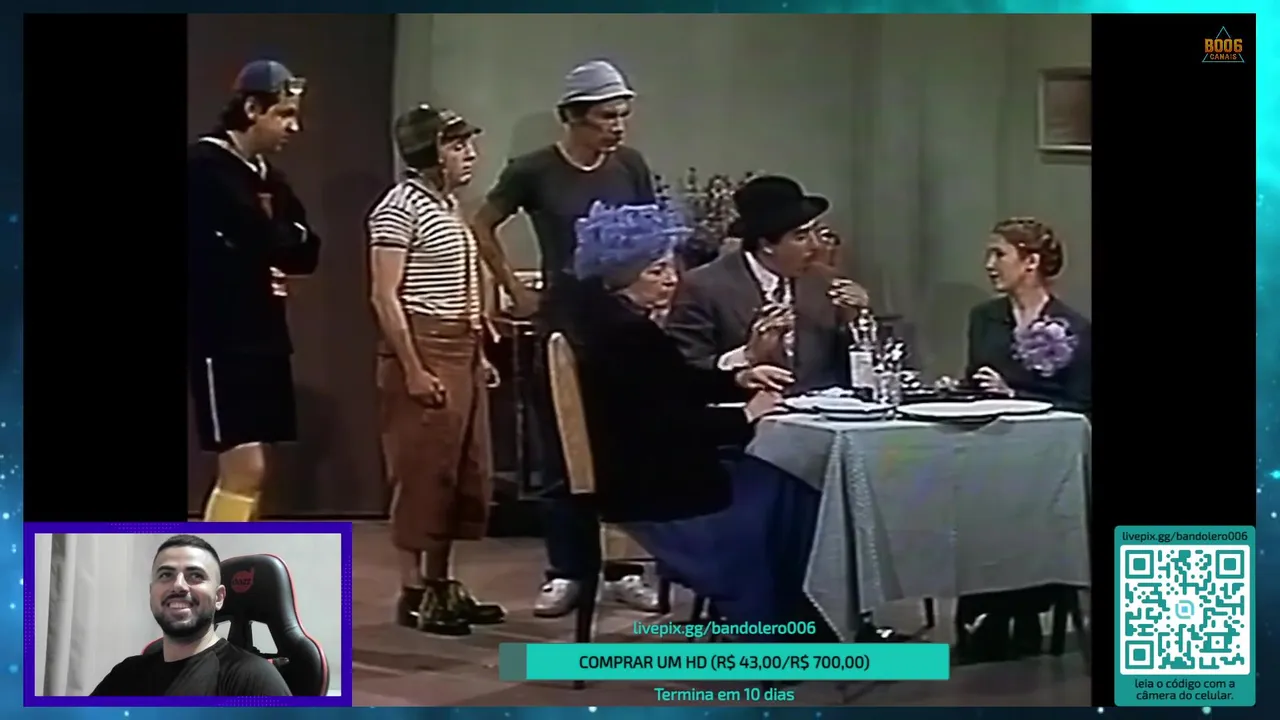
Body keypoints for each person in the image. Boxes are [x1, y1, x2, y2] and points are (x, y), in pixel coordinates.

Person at [560, 199, 828, 633]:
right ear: (623, 273)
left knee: (780, 479)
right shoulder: (628, 336)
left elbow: (673, 385)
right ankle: (784, 625)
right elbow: (666, 426)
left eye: (671, 267)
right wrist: (746, 416)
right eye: (656, 271)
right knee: (795, 491)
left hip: (645, 472)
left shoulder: (616, 324)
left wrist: (739, 379)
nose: (672, 279)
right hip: (653, 488)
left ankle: (791, 619)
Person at [470, 60, 664, 618]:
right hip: (564, 323)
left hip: (623, 321)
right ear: (573, 117)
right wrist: (514, 288)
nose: (617, 126)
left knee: (625, 447)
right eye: (606, 116)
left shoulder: (630, 165)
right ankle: (567, 570)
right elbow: (482, 224)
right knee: (562, 450)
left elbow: (652, 232)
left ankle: (625, 568)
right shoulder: (534, 170)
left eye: (622, 115)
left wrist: (657, 290)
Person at [368, 104, 507, 636]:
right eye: (456, 145)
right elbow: (385, 295)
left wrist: (478, 353)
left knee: (459, 473)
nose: (469, 155)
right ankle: (412, 594)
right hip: (425, 347)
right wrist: (413, 367)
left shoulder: (448, 205)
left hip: (461, 349)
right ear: (429, 152)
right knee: (421, 472)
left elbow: (462, 280)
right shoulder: (398, 208)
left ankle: (441, 583)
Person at [188, 60, 321, 522]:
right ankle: (210, 559)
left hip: (265, 335)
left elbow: (304, 249)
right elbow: (259, 234)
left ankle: (237, 556)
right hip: (221, 338)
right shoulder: (204, 167)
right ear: (251, 109)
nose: (294, 127)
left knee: (259, 472)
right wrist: (271, 238)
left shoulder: (272, 178)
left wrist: (275, 238)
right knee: (244, 466)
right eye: (283, 114)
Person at [958, 216, 1092, 661]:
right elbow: (973, 384)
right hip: (987, 453)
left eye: (999, 254)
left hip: (1046, 461)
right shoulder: (984, 318)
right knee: (978, 501)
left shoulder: (1073, 327)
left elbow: (1083, 405)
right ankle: (994, 612)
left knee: (1027, 506)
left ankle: (1019, 612)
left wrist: (1016, 395)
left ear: (1030, 262)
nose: (989, 264)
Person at [666, 175, 871, 395]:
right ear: (766, 245)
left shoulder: (825, 281)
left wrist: (857, 320)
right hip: (746, 409)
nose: (816, 246)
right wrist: (746, 356)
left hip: (824, 409)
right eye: (801, 237)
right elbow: (684, 371)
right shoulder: (703, 286)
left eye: (815, 232)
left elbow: (849, 364)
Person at [91, 535, 291, 696]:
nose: (178, 585)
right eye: (166, 575)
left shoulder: (253, 680)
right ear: (152, 592)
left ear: (219, 597)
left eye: (195, 575)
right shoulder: (125, 676)